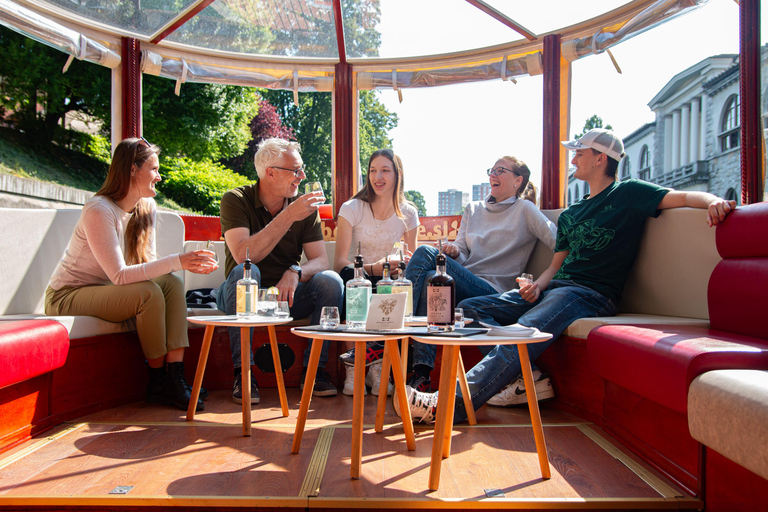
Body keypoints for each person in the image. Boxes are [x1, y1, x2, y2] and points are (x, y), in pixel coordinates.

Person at [394, 128, 736, 424]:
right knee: (467, 310)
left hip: (590, 293)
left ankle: (447, 405)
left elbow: (682, 196)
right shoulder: (573, 213)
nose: (573, 160)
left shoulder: (628, 193)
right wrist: (535, 286)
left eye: (579, 154)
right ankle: (519, 377)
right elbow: (556, 265)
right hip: (554, 288)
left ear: (601, 159)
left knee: (521, 332)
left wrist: (714, 201)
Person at [45, 137, 218, 412]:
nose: (159, 177)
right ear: (132, 170)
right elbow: (119, 275)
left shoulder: (146, 208)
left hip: (108, 290)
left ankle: (175, 377)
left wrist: (186, 265)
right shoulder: (99, 210)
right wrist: (178, 260)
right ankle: (157, 381)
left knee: (172, 283)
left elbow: (147, 266)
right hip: (67, 295)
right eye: (154, 169)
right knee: (148, 293)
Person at [404, 156, 556, 392]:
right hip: (467, 279)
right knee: (430, 279)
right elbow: (463, 252)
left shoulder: (525, 209)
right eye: (491, 170)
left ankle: (397, 332)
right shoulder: (473, 209)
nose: (492, 175)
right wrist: (454, 252)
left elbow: (558, 240)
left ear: (518, 180)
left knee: (424, 252)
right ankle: (422, 373)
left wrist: (544, 280)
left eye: (500, 170)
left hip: (493, 289)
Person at [217, 138, 344, 403]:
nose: (302, 176)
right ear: (270, 173)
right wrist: (288, 215)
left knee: (331, 281)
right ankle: (243, 373)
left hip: (285, 299)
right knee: (245, 273)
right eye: (295, 170)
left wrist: (295, 271)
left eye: (302, 169)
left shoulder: (304, 208)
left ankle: (314, 370)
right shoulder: (235, 200)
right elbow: (243, 256)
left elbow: (321, 260)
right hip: (241, 297)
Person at [333, 149, 420, 396]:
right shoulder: (351, 208)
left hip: (389, 280)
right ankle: (354, 369)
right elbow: (339, 264)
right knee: (355, 283)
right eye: (372, 170)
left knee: (395, 286)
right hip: (356, 276)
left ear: (397, 174)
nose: (377, 177)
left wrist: (397, 266)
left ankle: (378, 367)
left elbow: (413, 264)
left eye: (384, 170)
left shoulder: (408, 213)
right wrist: (374, 267)